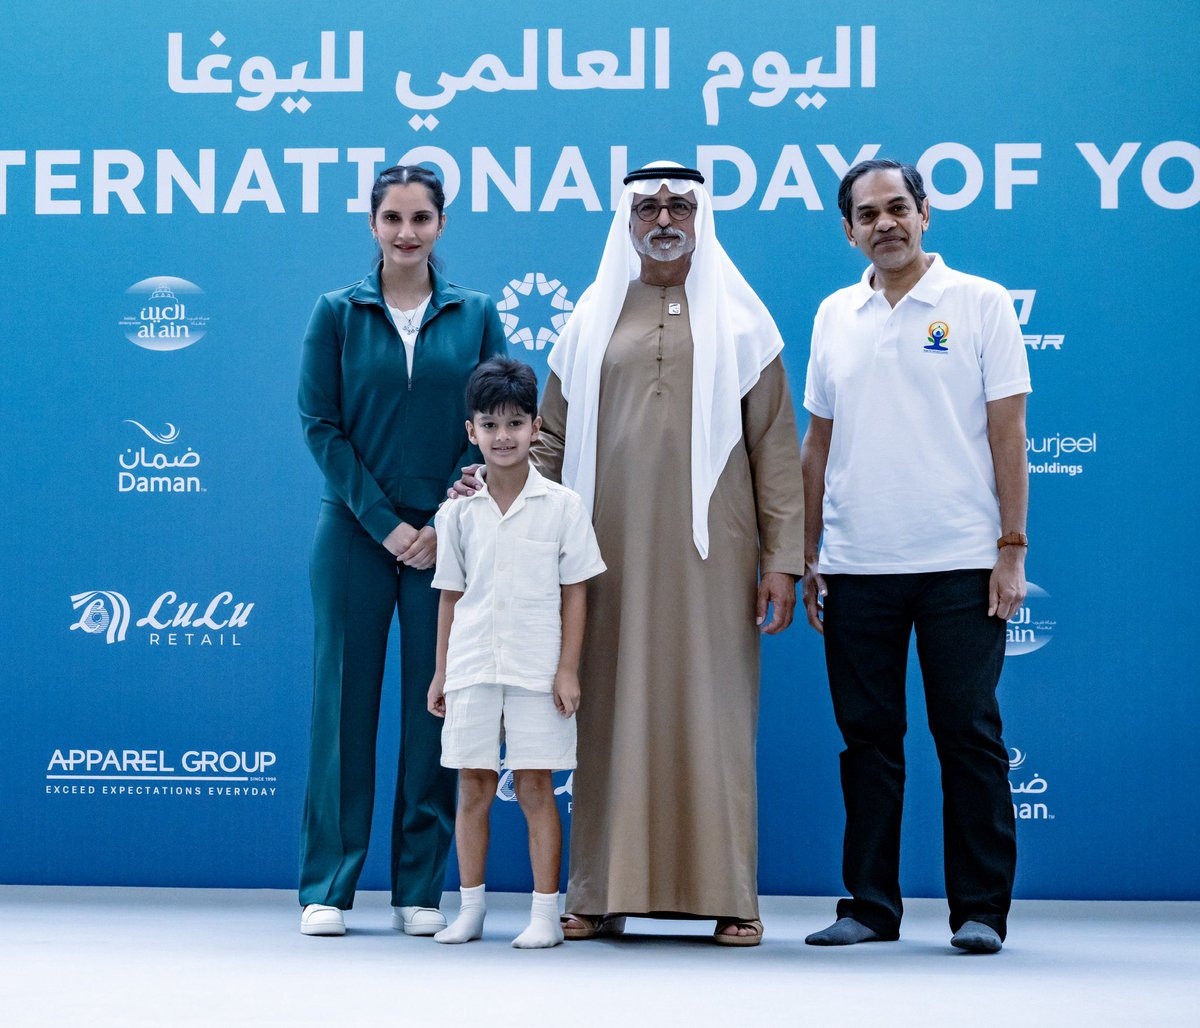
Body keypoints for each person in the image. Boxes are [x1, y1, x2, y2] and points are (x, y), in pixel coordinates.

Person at [456, 161, 806, 946]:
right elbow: (549, 439)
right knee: (606, 712)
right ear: (627, 219)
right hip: (604, 551)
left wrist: (783, 558)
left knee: (714, 711)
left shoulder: (745, 323)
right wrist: (495, 487)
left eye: (679, 205)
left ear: (701, 215)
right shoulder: (590, 319)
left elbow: (776, 449)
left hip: (713, 555)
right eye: (648, 207)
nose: (664, 219)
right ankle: (598, 891)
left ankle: (730, 895)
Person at [800, 159, 1029, 954]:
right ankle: (869, 907)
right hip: (857, 566)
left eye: (898, 207)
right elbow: (817, 443)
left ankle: (980, 912)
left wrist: (1010, 549)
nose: (885, 224)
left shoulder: (980, 303)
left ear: (924, 213)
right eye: (867, 215)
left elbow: (1008, 435)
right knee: (868, 740)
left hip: (961, 563)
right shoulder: (834, 314)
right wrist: (808, 553)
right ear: (849, 231)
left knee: (968, 734)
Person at [296, 164, 506, 937]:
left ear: (441, 224)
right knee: (342, 707)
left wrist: (442, 520)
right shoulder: (337, 312)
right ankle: (328, 886)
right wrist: (387, 524)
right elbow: (321, 424)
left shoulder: (476, 313)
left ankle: (420, 889)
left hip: (448, 537)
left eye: (421, 218)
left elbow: (496, 420)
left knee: (434, 706)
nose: (407, 232)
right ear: (373, 224)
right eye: (393, 218)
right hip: (355, 533)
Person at [427, 357, 606, 949]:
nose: (503, 436)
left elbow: (575, 591)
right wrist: (441, 672)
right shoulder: (456, 512)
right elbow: (451, 595)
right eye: (490, 425)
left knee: (534, 786)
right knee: (473, 786)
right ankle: (470, 910)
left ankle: (545, 915)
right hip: (473, 664)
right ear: (471, 431)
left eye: (514, 423)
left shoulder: (563, 506)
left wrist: (567, 669)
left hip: (537, 667)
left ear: (535, 427)